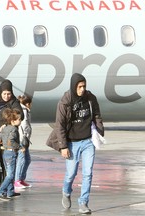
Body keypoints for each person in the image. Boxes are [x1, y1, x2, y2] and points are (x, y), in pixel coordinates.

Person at [47, 73, 104, 214]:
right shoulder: (65, 102)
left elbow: (96, 115)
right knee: (71, 174)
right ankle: (66, 192)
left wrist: (100, 130)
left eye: (84, 86)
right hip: (72, 143)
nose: (82, 89)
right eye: (79, 86)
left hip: (88, 141)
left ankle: (83, 203)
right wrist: (63, 146)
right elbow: (59, 125)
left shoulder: (90, 98)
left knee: (88, 173)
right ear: (74, 87)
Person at [0, 108, 23, 200]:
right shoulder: (14, 129)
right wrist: (20, 147)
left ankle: (10, 191)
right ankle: (0, 191)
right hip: (11, 153)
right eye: (19, 119)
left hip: (5, 152)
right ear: (13, 121)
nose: (20, 121)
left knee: (10, 173)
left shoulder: (5, 128)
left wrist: (5, 144)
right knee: (10, 175)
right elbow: (11, 141)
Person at [14, 94, 33, 189]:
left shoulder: (24, 110)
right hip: (22, 139)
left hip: (25, 139)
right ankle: (17, 180)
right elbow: (25, 124)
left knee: (27, 160)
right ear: (28, 103)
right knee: (22, 160)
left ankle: (21, 179)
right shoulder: (24, 111)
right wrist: (25, 135)